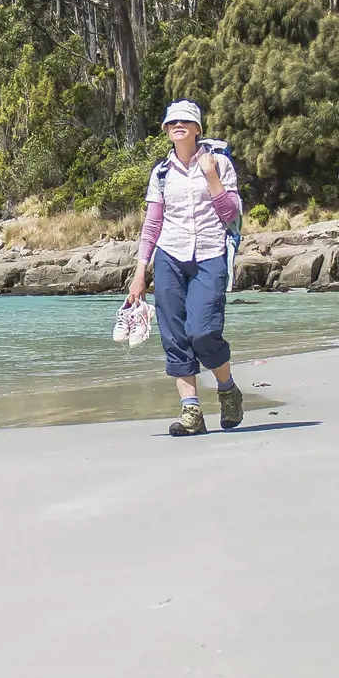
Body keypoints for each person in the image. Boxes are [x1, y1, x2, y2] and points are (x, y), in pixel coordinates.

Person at [133, 100, 244, 437]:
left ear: (197, 128)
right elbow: (152, 224)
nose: (178, 126)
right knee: (175, 336)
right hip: (169, 256)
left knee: (203, 332)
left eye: (185, 121)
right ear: (167, 130)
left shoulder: (219, 163)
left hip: (210, 253)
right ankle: (191, 412)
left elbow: (231, 214)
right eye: (172, 122)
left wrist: (211, 176)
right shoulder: (161, 173)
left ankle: (227, 389)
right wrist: (140, 272)